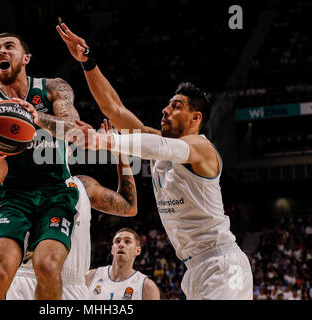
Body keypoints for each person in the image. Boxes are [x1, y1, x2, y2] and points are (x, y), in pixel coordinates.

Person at [56, 23, 253, 300]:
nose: (166, 108)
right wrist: (88, 61)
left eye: (177, 106)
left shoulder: (201, 147)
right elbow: (114, 108)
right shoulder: (160, 143)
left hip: (222, 263)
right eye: (168, 103)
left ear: (196, 118)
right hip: (194, 268)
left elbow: (157, 147)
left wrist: (106, 141)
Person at [0, 109, 140, 299]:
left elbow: (129, 207)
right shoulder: (16, 185)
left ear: (66, 149)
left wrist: (118, 150)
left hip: (71, 283)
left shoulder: (82, 185)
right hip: (21, 279)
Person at [0, 32, 82, 300]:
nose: (1, 52)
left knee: (48, 266)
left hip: (55, 190)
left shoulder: (53, 87)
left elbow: (74, 131)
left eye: (9, 47)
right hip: (13, 195)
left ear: (25, 58)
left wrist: (36, 118)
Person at [86, 228, 160, 300]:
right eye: (117, 241)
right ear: (112, 250)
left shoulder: (147, 287)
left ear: (137, 250)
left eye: (127, 241)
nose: (121, 244)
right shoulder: (90, 276)